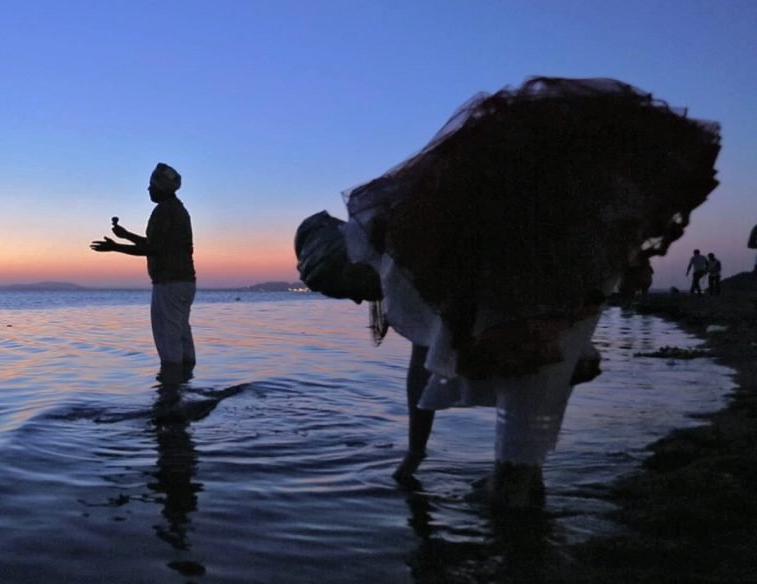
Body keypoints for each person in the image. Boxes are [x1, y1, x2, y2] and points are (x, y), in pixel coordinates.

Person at [295, 77, 720, 509]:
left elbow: (425, 364)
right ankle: (522, 489)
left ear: (345, 262)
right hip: (558, 266)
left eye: (341, 290)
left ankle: (518, 508)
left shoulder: (406, 249)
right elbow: (421, 363)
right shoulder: (407, 246)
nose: (353, 302)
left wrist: (414, 457)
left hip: (550, 263)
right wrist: (415, 452)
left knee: (529, 380)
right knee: (530, 377)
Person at [90, 163, 197, 371]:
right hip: (184, 282)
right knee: (181, 332)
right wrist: (126, 235)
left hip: (169, 284)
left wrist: (115, 247)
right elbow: (159, 245)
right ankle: (187, 385)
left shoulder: (163, 211)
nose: (149, 189)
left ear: (160, 187)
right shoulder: (178, 210)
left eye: (151, 185)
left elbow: (154, 249)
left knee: (168, 337)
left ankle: (171, 388)